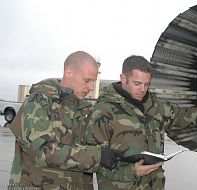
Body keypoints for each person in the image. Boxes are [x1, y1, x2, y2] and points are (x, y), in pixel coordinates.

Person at [85, 55, 197, 190]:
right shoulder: (103, 111)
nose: (143, 89)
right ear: (123, 78)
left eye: (146, 84)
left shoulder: (156, 105)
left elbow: (184, 117)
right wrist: (131, 171)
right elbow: (92, 158)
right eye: (137, 83)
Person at [8, 51, 119, 190]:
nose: (91, 88)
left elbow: (95, 148)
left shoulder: (83, 110)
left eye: (93, 82)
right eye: (87, 80)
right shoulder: (40, 101)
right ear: (68, 72)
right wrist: (97, 156)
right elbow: (42, 152)